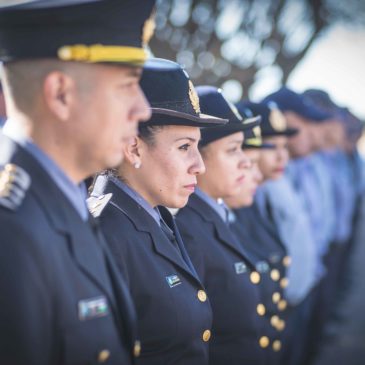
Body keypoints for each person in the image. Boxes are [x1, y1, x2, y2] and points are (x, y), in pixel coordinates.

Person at [0, 1, 155, 364]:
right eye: (128, 86)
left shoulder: (60, 200)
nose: (143, 109)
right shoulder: (11, 231)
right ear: (61, 95)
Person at [89, 59, 227, 365]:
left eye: (197, 147)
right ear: (134, 148)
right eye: (184, 147)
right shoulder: (106, 231)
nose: (199, 165)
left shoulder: (155, 215)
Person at [176, 86, 278, 365]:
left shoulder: (217, 216)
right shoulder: (187, 229)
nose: (246, 162)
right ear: (201, 156)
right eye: (233, 150)